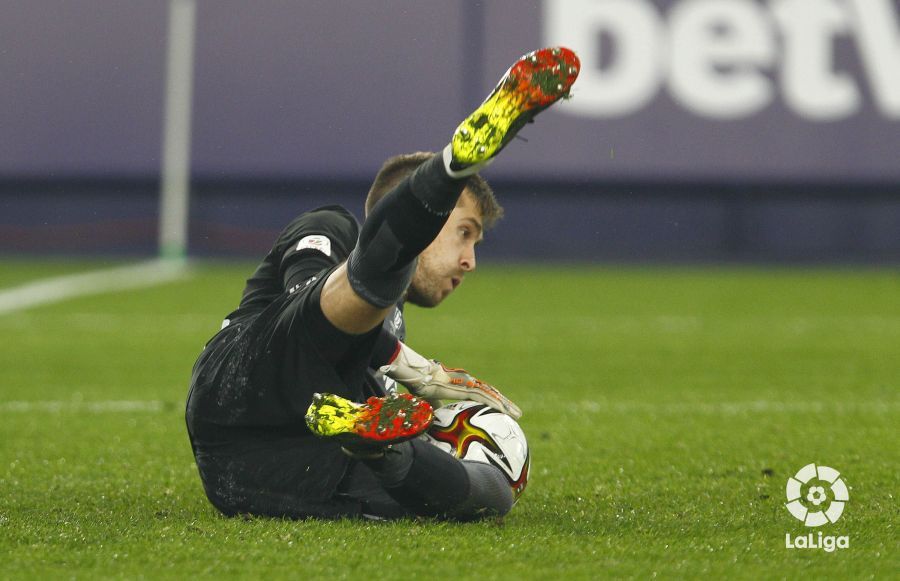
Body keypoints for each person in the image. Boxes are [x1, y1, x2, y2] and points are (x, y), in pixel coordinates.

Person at [185, 47, 580, 520]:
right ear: (422, 212)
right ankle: (453, 165)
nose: (470, 261)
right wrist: (414, 369)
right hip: (242, 383)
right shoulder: (333, 227)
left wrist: (412, 432)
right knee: (356, 293)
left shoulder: (390, 322)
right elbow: (307, 302)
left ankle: (382, 452)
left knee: (492, 490)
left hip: (263, 472)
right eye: (465, 233)